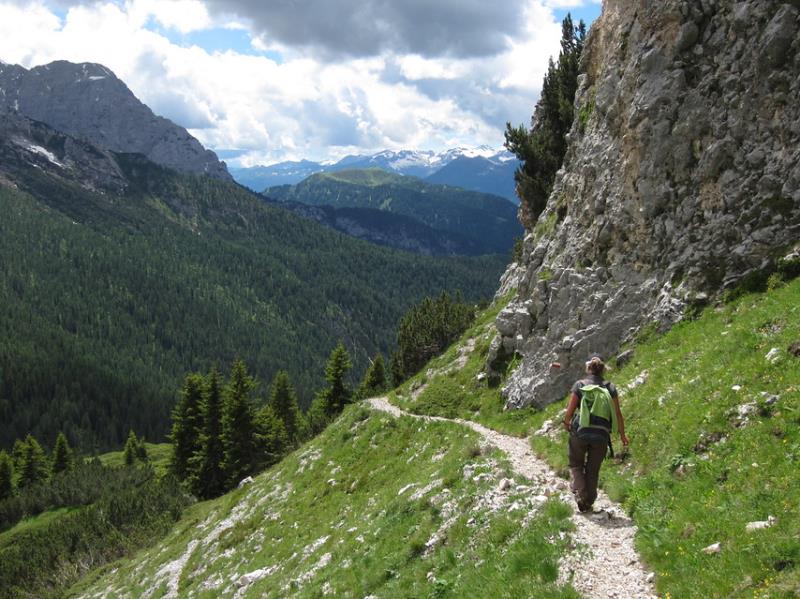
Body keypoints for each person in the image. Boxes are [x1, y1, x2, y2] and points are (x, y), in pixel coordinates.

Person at [561, 355, 629, 513]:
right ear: (602, 370)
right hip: (601, 435)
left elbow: (570, 411)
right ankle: (588, 501)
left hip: (580, 431)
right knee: (593, 470)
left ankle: (580, 491)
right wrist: (623, 435)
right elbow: (618, 414)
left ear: (588, 369)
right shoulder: (610, 387)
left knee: (575, 463)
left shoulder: (580, 385)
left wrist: (566, 423)